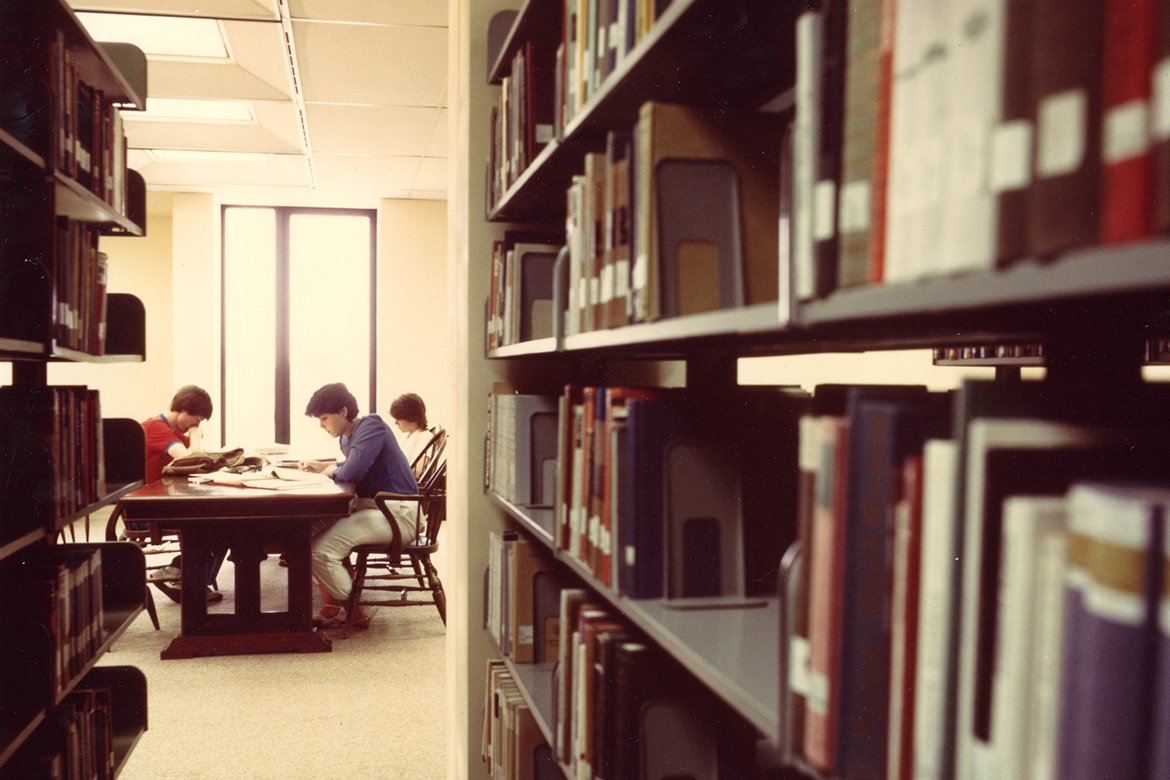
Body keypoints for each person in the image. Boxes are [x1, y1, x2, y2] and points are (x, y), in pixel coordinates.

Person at [300, 382, 419, 628]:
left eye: (324, 418)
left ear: (343, 411)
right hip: (376, 508)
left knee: (317, 551)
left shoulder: (371, 425)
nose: (321, 425)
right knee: (301, 535)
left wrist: (331, 471)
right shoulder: (348, 437)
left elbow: (351, 470)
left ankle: (357, 608)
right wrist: (325, 468)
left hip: (398, 513)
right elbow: (350, 470)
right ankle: (334, 605)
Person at [139, 385, 226, 602]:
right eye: (197, 419)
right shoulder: (155, 427)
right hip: (145, 511)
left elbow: (198, 462)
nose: (196, 425)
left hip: (163, 503)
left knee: (226, 522)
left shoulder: (173, 432)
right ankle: (183, 577)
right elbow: (191, 458)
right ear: (184, 410)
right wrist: (196, 433)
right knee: (218, 523)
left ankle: (185, 578)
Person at [389, 392, 435, 471]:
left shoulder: (425, 438)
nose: (395, 423)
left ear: (412, 418)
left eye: (398, 419)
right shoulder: (404, 437)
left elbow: (418, 471)